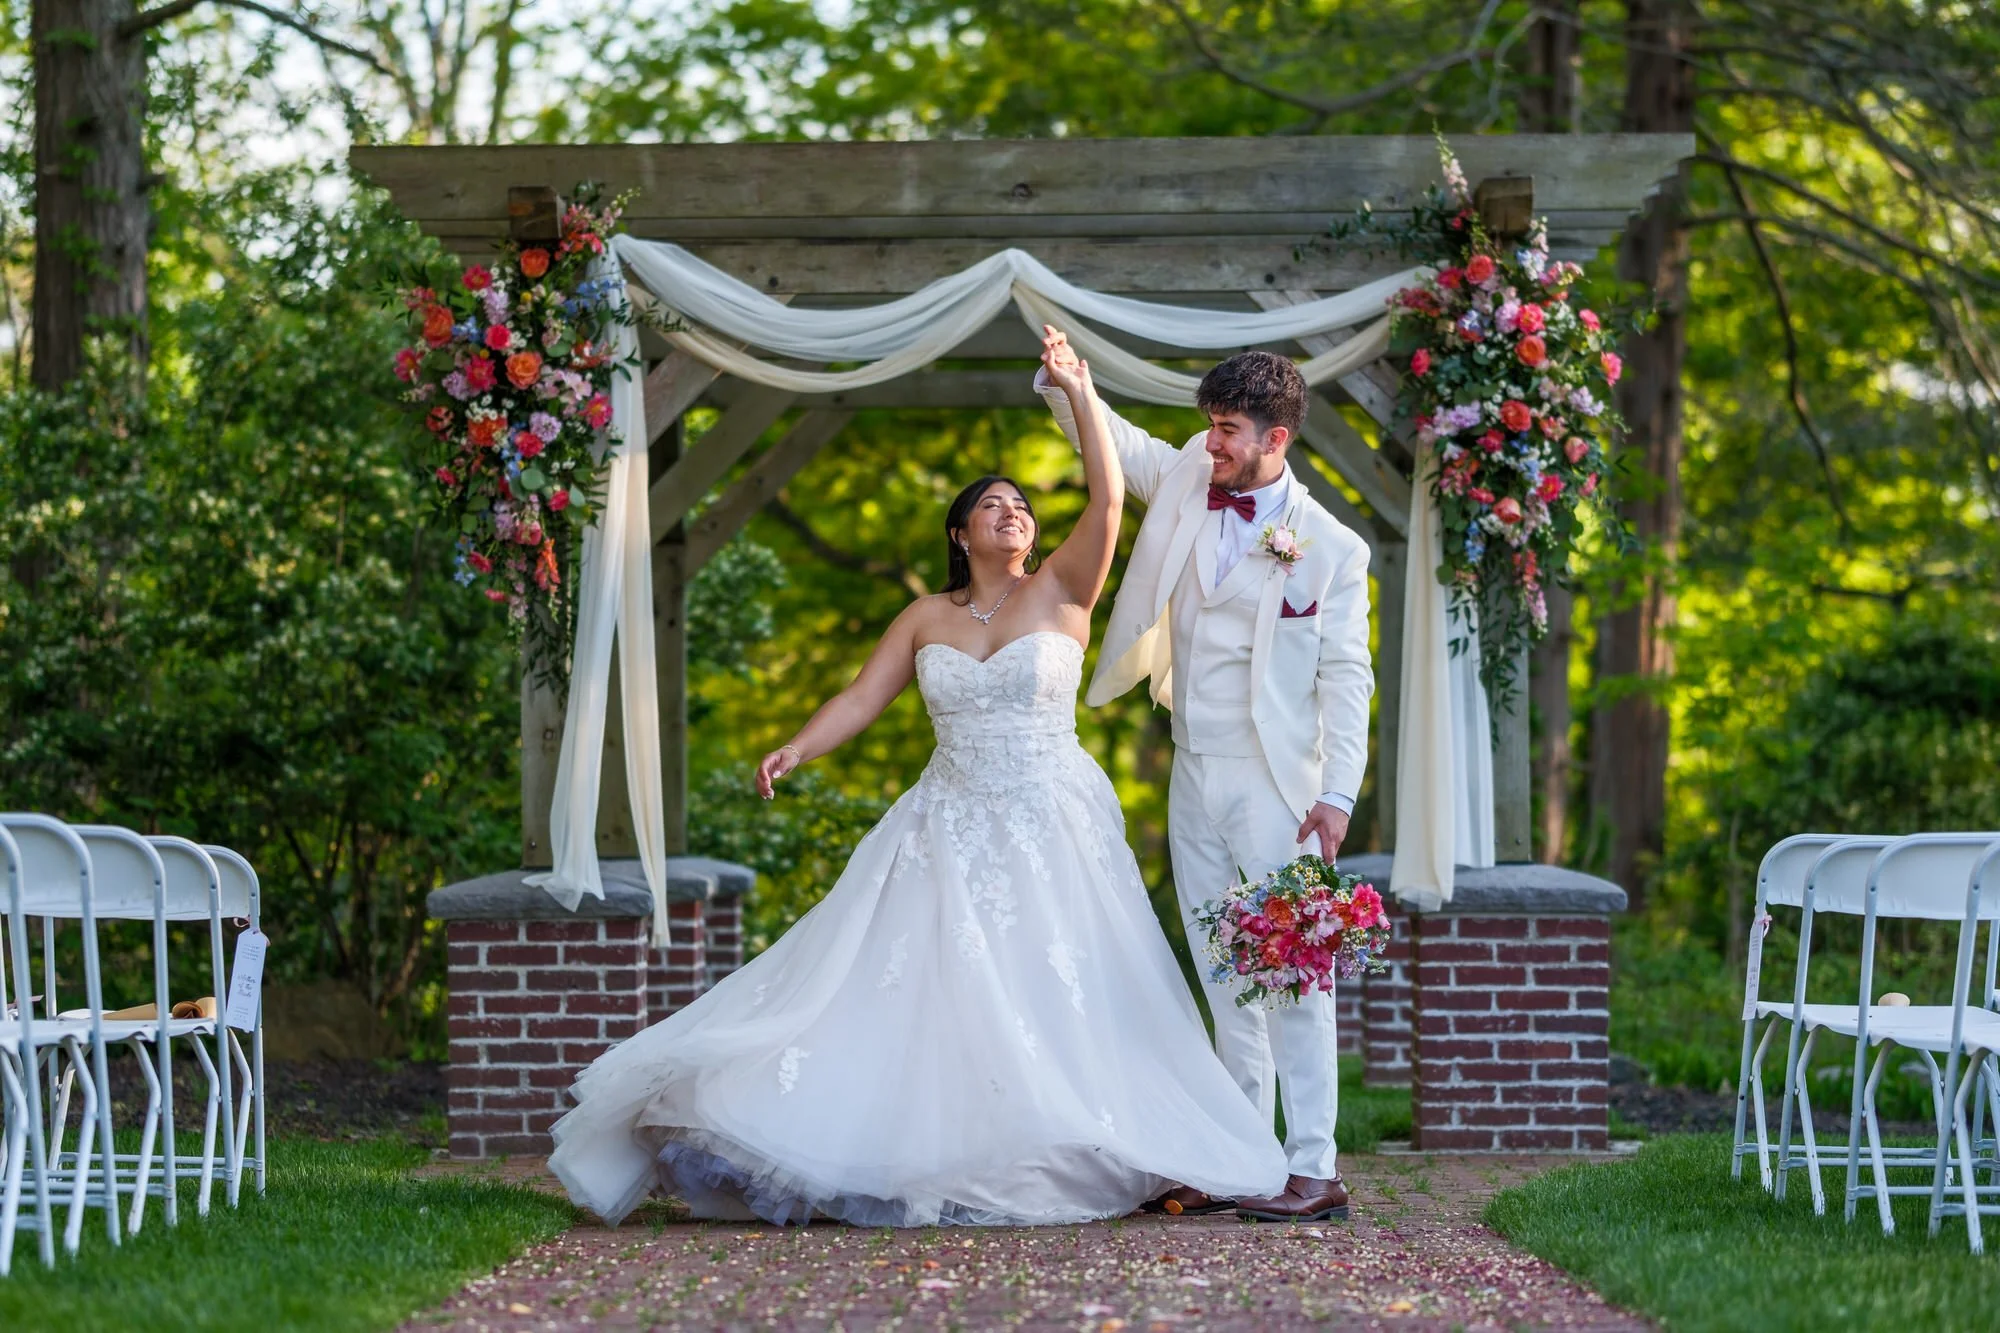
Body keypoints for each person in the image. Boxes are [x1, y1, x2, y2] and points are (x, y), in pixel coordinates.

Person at [546, 337, 1287, 1228]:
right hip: (943, 823)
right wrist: (797, 746)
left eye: (1019, 505)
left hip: (1053, 816)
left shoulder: (1064, 589)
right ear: (958, 530)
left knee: (1063, 984)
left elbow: (1106, 493)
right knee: (916, 990)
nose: (1011, 512)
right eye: (992, 505)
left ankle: (1087, 1137)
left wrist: (1081, 391)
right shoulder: (925, 615)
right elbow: (862, 695)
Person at [1033, 329, 1373, 1224]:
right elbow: (1113, 442)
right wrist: (1068, 383)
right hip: (1194, 768)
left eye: (1227, 429)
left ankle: (1315, 1165)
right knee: (1225, 973)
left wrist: (1337, 795)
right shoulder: (1189, 472)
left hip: (1280, 789)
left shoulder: (1333, 549)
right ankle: (1239, 1156)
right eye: (1209, 426)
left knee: (1294, 975)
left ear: (1276, 439)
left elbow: (1347, 676)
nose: (1211, 442)